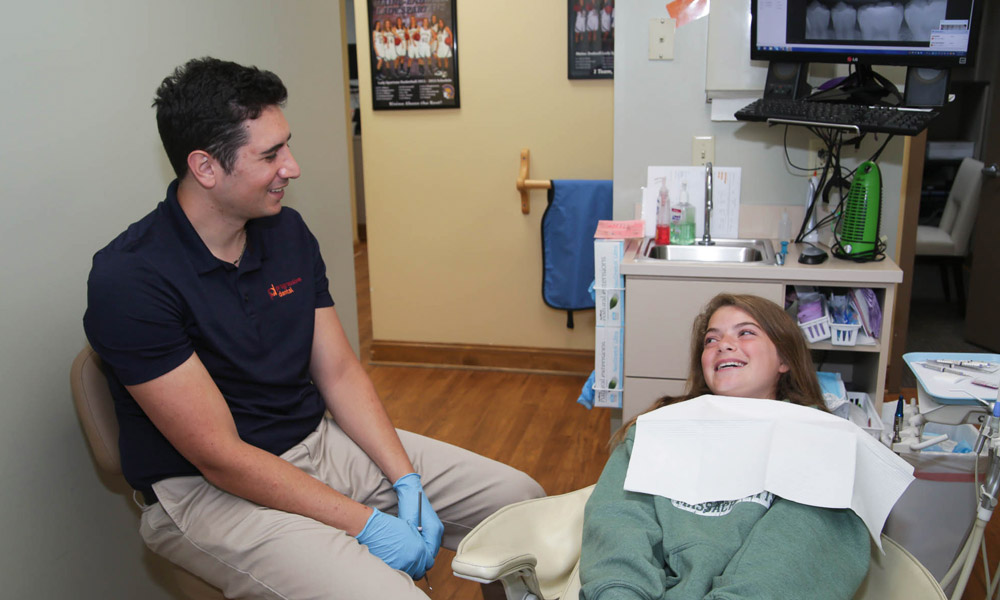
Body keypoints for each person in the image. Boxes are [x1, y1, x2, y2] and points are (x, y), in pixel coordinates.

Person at [83, 57, 543, 600]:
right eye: (271, 154)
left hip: (318, 442)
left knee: (522, 501)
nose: (292, 167)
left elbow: (341, 373)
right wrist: (366, 524)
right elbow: (221, 456)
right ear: (206, 167)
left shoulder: (286, 232)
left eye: (288, 145)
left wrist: (405, 480)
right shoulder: (131, 278)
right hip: (208, 492)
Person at [580, 294, 870, 600]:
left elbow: (791, 558)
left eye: (745, 332)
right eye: (711, 340)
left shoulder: (824, 445)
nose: (723, 344)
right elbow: (618, 525)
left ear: (784, 360)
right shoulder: (656, 430)